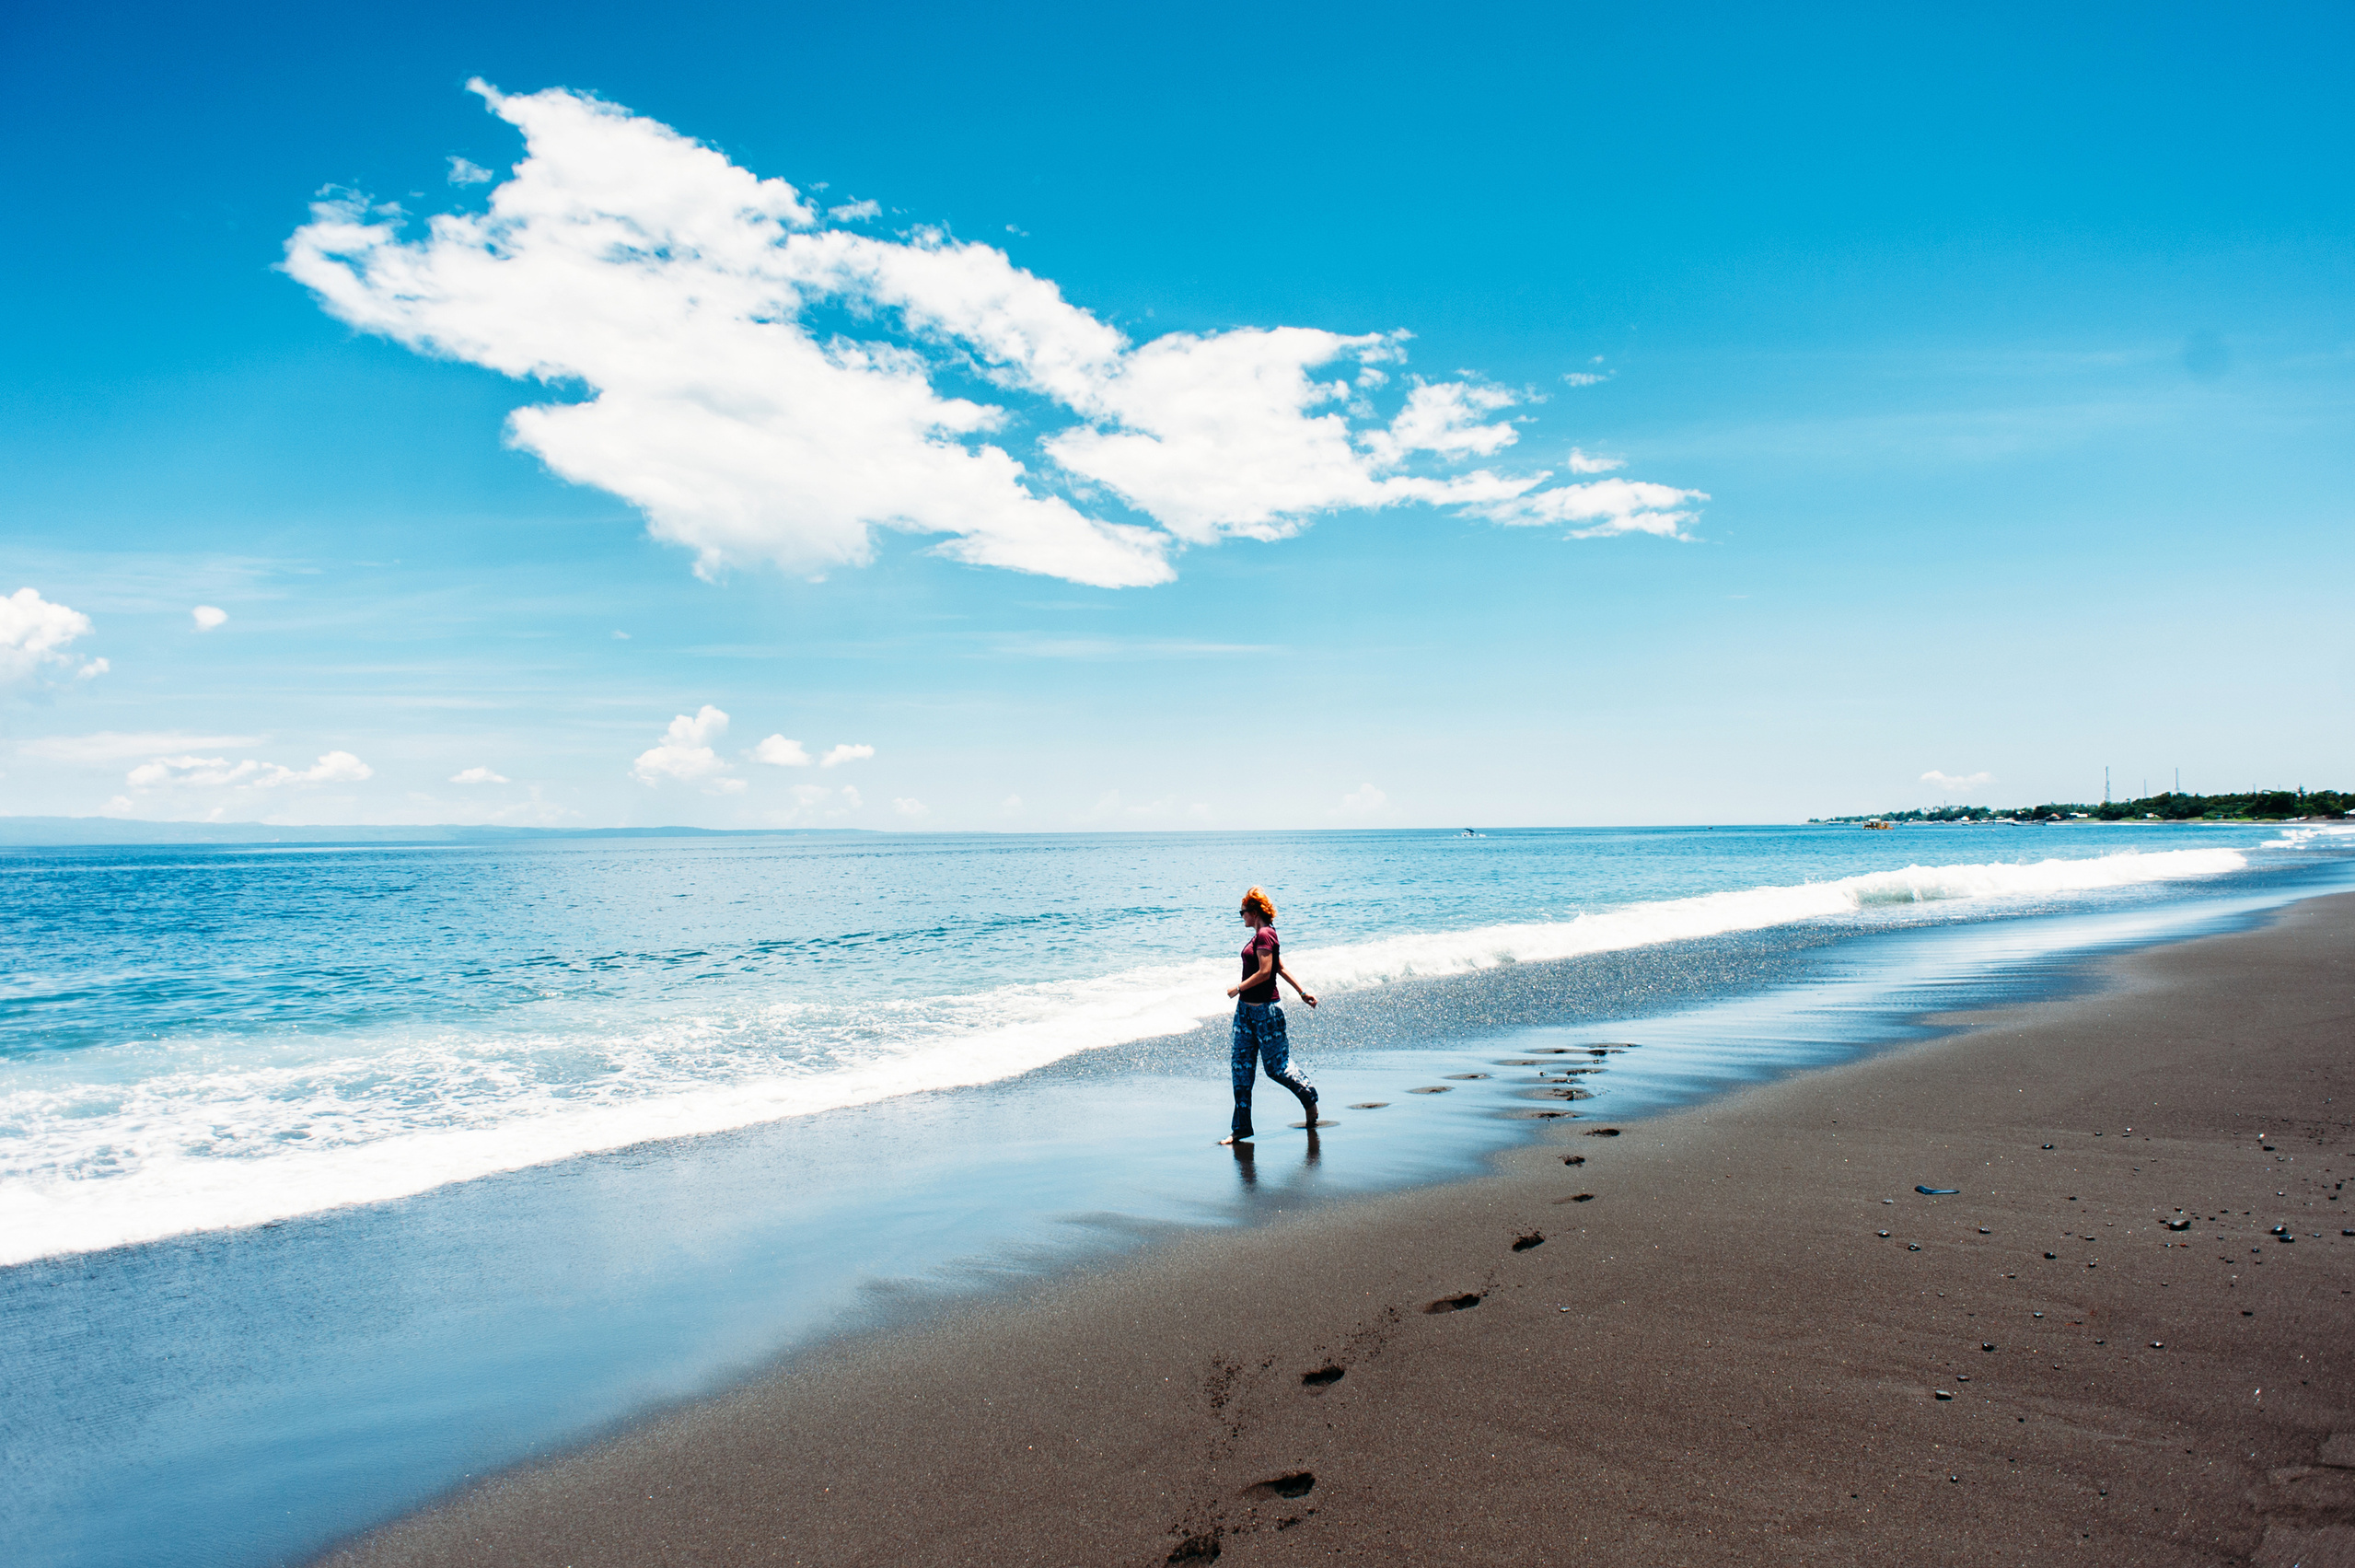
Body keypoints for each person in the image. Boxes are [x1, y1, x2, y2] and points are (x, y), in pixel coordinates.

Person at [1219, 886, 1319, 1144]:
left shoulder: (1265, 934)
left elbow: (1267, 972)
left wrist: (1238, 988)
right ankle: (1241, 1128)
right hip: (1245, 1013)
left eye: (1242, 912)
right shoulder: (1260, 936)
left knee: (1277, 1068)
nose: (1241, 916)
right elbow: (1280, 967)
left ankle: (1309, 1097)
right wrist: (1302, 992)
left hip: (1266, 1011)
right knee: (1241, 1070)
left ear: (1254, 912)